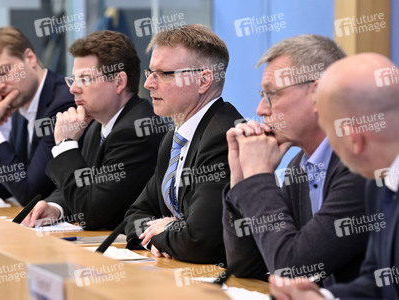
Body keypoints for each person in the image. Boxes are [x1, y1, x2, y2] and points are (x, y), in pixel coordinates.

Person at [223, 34, 368, 283]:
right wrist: (240, 179)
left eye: (273, 94)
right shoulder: (298, 167)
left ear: (318, 94)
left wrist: (259, 178)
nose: (260, 109)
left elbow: (293, 267)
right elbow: (247, 265)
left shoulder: (360, 167)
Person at [270, 53, 399, 299]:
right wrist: (324, 297)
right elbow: (377, 283)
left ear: (353, 140)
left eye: (329, 133)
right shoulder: (377, 184)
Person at [22, 30, 165, 230]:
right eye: (73, 79)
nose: (73, 89)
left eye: (86, 79)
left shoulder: (135, 131)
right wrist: (55, 207)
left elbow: (92, 212)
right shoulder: (98, 125)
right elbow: (82, 185)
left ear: (119, 82)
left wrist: (65, 145)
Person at [124, 24, 243, 265]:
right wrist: (163, 234)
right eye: (150, 72)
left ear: (203, 80)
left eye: (164, 74)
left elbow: (199, 241)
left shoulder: (224, 136)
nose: (149, 84)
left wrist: (169, 232)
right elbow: (134, 216)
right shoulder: (174, 138)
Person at [0, 26, 75, 205]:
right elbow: (1, 188)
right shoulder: (20, 105)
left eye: (3, 72)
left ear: (30, 58)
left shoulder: (63, 102)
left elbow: (30, 194)